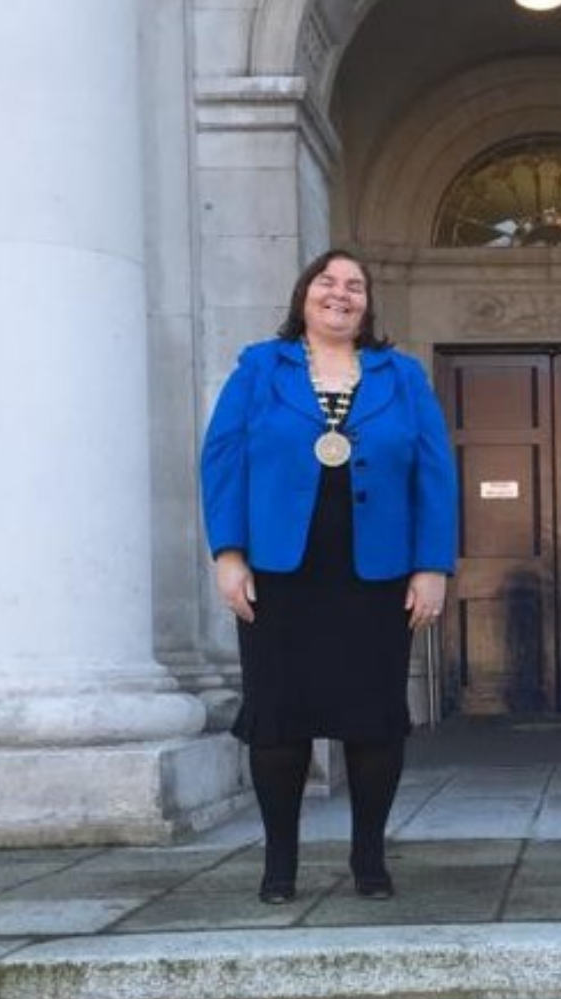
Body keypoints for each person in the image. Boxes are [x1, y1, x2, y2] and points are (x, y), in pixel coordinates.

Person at [201, 249, 458, 904]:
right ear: (304, 294)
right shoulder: (261, 367)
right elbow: (223, 459)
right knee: (279, 721)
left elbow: (434, 472)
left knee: (374, 720)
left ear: (367, 304)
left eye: (355, 285)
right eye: (327, 281)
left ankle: (369, 857)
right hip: (281, 576)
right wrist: (228, 553)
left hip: (376, 578)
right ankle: (279, 863)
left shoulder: (402, 376)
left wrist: (433, 565)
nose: (340, 293)